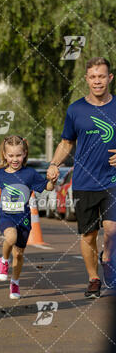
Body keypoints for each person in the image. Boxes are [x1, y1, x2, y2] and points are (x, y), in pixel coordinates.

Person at [47, 57, 116, 298]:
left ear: (110, 78)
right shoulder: (76, 109)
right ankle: (93, 278)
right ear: (86, 79)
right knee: (88, 234)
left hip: (113, 182)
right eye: (93, 77)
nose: (97, 81)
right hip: (85, 182)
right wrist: (54, 164)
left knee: (111, 230)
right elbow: (66, 142)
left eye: (102, 76)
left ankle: (107, 258)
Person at [0, 135, 54, 299]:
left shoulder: (30, 173)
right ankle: (3, 260)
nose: (14, 159)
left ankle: (15, 282)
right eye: (11, 156)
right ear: (5, 155)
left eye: (18, 155)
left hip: (23, 217)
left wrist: (52, 180)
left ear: (24, 154)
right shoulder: (1, 173)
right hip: (6, 215)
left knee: (19, 254)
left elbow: (47, 188)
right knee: (10, 237)